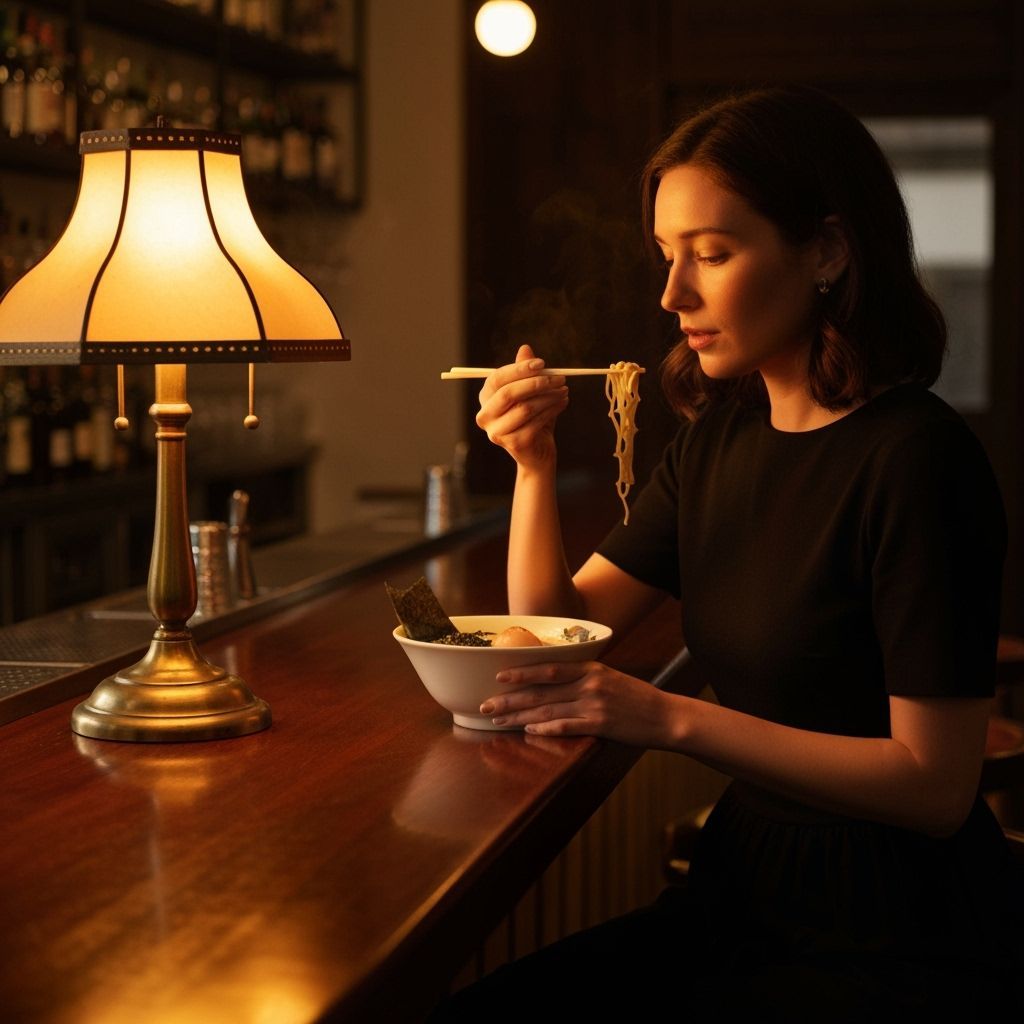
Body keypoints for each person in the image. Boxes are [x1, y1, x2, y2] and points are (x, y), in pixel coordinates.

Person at [429, 85, 1024, 1019]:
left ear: (827, 251)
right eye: (667, 255)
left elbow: (935, 787)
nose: (673, 294)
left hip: (896, 927)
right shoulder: (719, 440)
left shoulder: (917, 460)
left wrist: (671, 719)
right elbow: (553, 632)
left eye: (711, 253)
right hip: (743, 888)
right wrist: (531, 464)